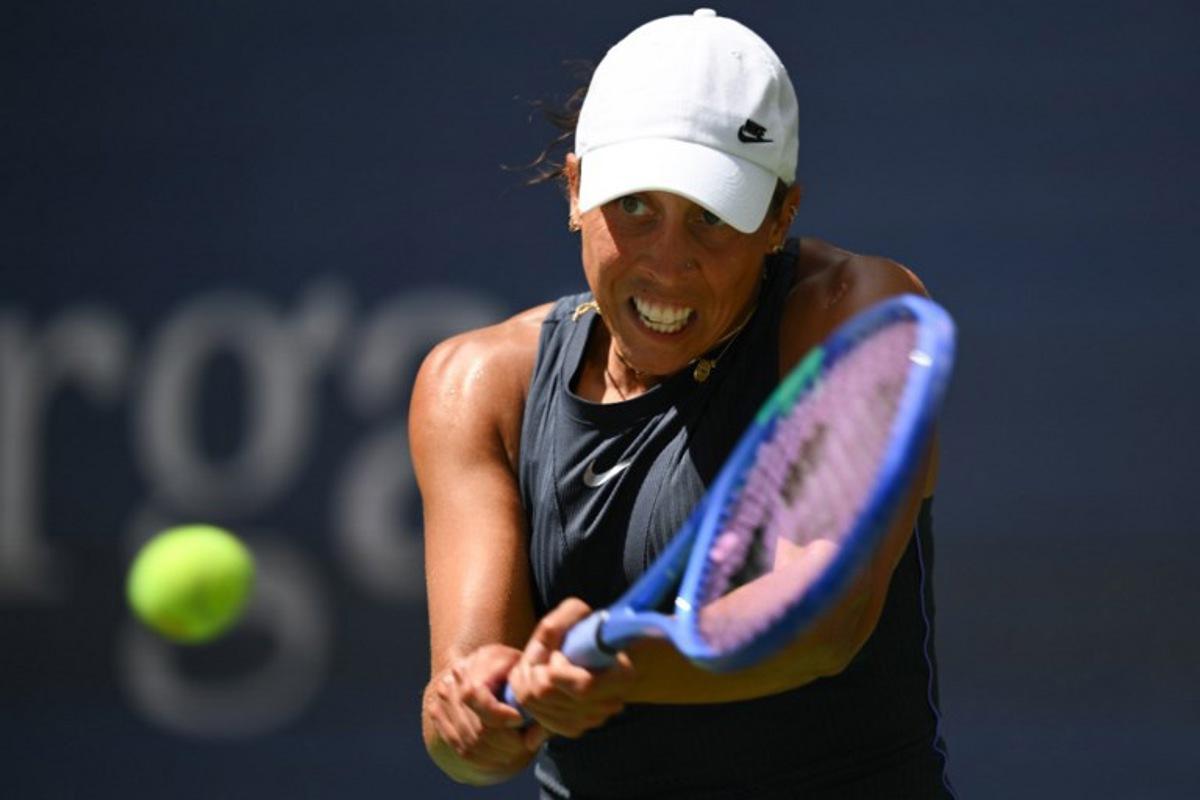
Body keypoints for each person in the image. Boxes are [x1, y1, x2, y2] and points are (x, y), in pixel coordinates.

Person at [413, 9, 954, 798]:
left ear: (780, 217)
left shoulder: (854, 314)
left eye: (712, 215)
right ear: (575, 189)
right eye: (634, 205)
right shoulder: (475, 385)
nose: (669, 263)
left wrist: (611, 658)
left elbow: (824, 621)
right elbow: (465, 735)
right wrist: (471, 719)